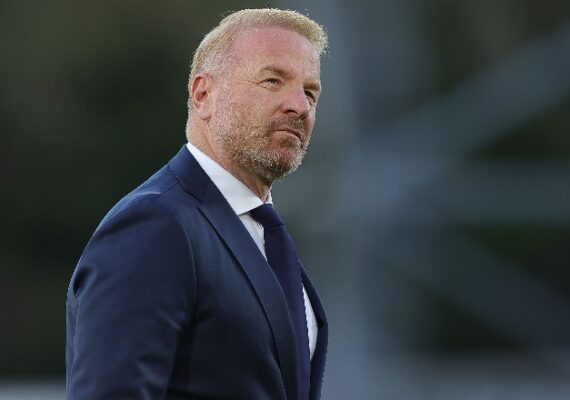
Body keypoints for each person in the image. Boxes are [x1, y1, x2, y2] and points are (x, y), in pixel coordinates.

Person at [66, 8, 328, 400]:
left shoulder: (263, 234)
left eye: (310, 92)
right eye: (273, 81)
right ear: (203, 94)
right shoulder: (155, 225)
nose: (300, 106)